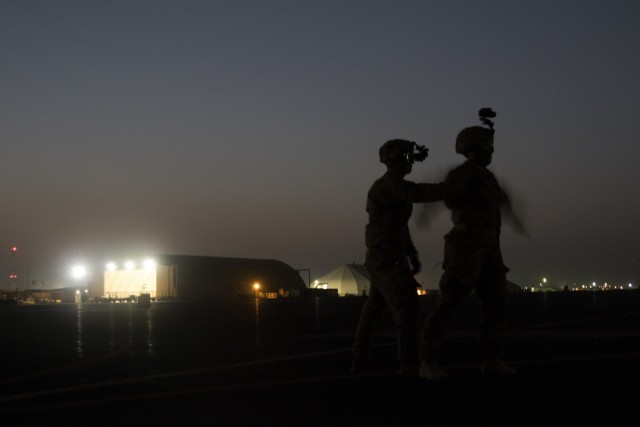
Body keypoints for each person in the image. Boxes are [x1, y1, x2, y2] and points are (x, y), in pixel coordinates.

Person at [419, 125, 521, 380]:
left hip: (489, 247)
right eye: (487, 146)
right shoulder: (464, 174)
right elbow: (448, 196)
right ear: (473, 149)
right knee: (449, 302)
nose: (491, 151)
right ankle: (428, 361)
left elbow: (500, 201)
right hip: (465, 247)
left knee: (496, 302)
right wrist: (428, 213)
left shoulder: (488, 178)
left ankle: (492, 358)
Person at [351, 139, 443, 375]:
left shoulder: (390, 186)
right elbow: (416, 193)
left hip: (385, 254)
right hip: (386, 256)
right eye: (406, 157)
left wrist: (411, 253)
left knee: (374, 306)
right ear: (394, 160)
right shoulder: (387, 186)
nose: (410, 161)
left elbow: (398, 226)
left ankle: (360, 357)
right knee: (408, 308)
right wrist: (449, 189)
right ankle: (408, 364)